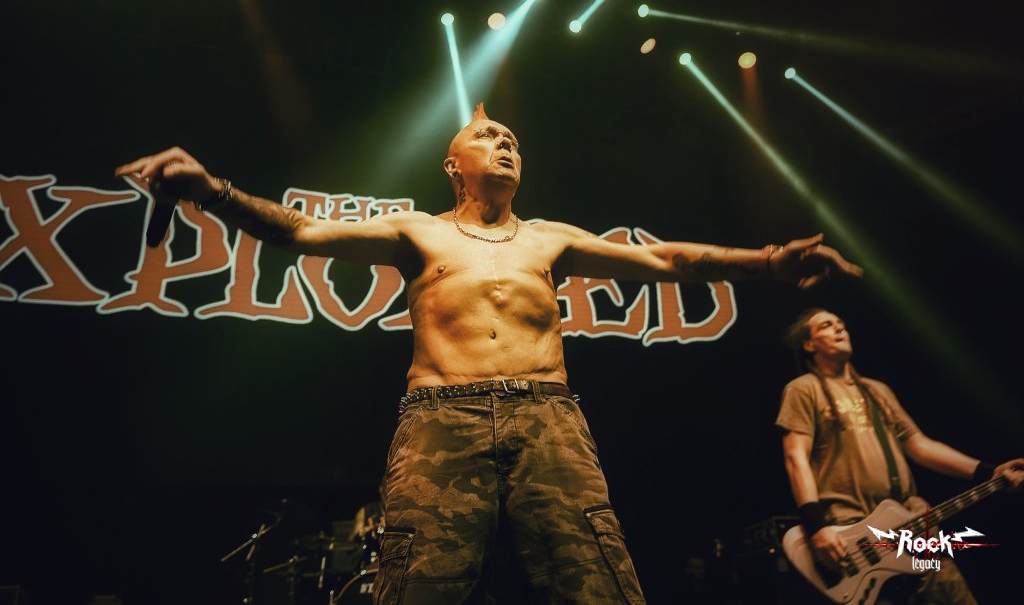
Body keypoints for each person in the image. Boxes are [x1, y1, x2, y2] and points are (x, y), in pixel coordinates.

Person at [116, 105, 863, 604]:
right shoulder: (419, 231)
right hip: (443, 420)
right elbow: (301, 231)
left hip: (548, 420)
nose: (506, 144)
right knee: (415, 584)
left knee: (597, 581)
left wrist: (770, 262)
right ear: (454, 165)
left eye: (513, 141)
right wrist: (212, 190)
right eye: (489, 137)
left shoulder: (549, 238)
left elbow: (665, 259)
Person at [776, 308, 1024, 605]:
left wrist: (989, 471)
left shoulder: (877, 390)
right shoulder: (803, 389)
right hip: (852, 529)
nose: (840, 329)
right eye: (827, 326)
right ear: (809, 344)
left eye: (841, 323)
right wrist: (817, 526)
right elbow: (795, 458)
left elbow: (919, 445)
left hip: (912, 522)